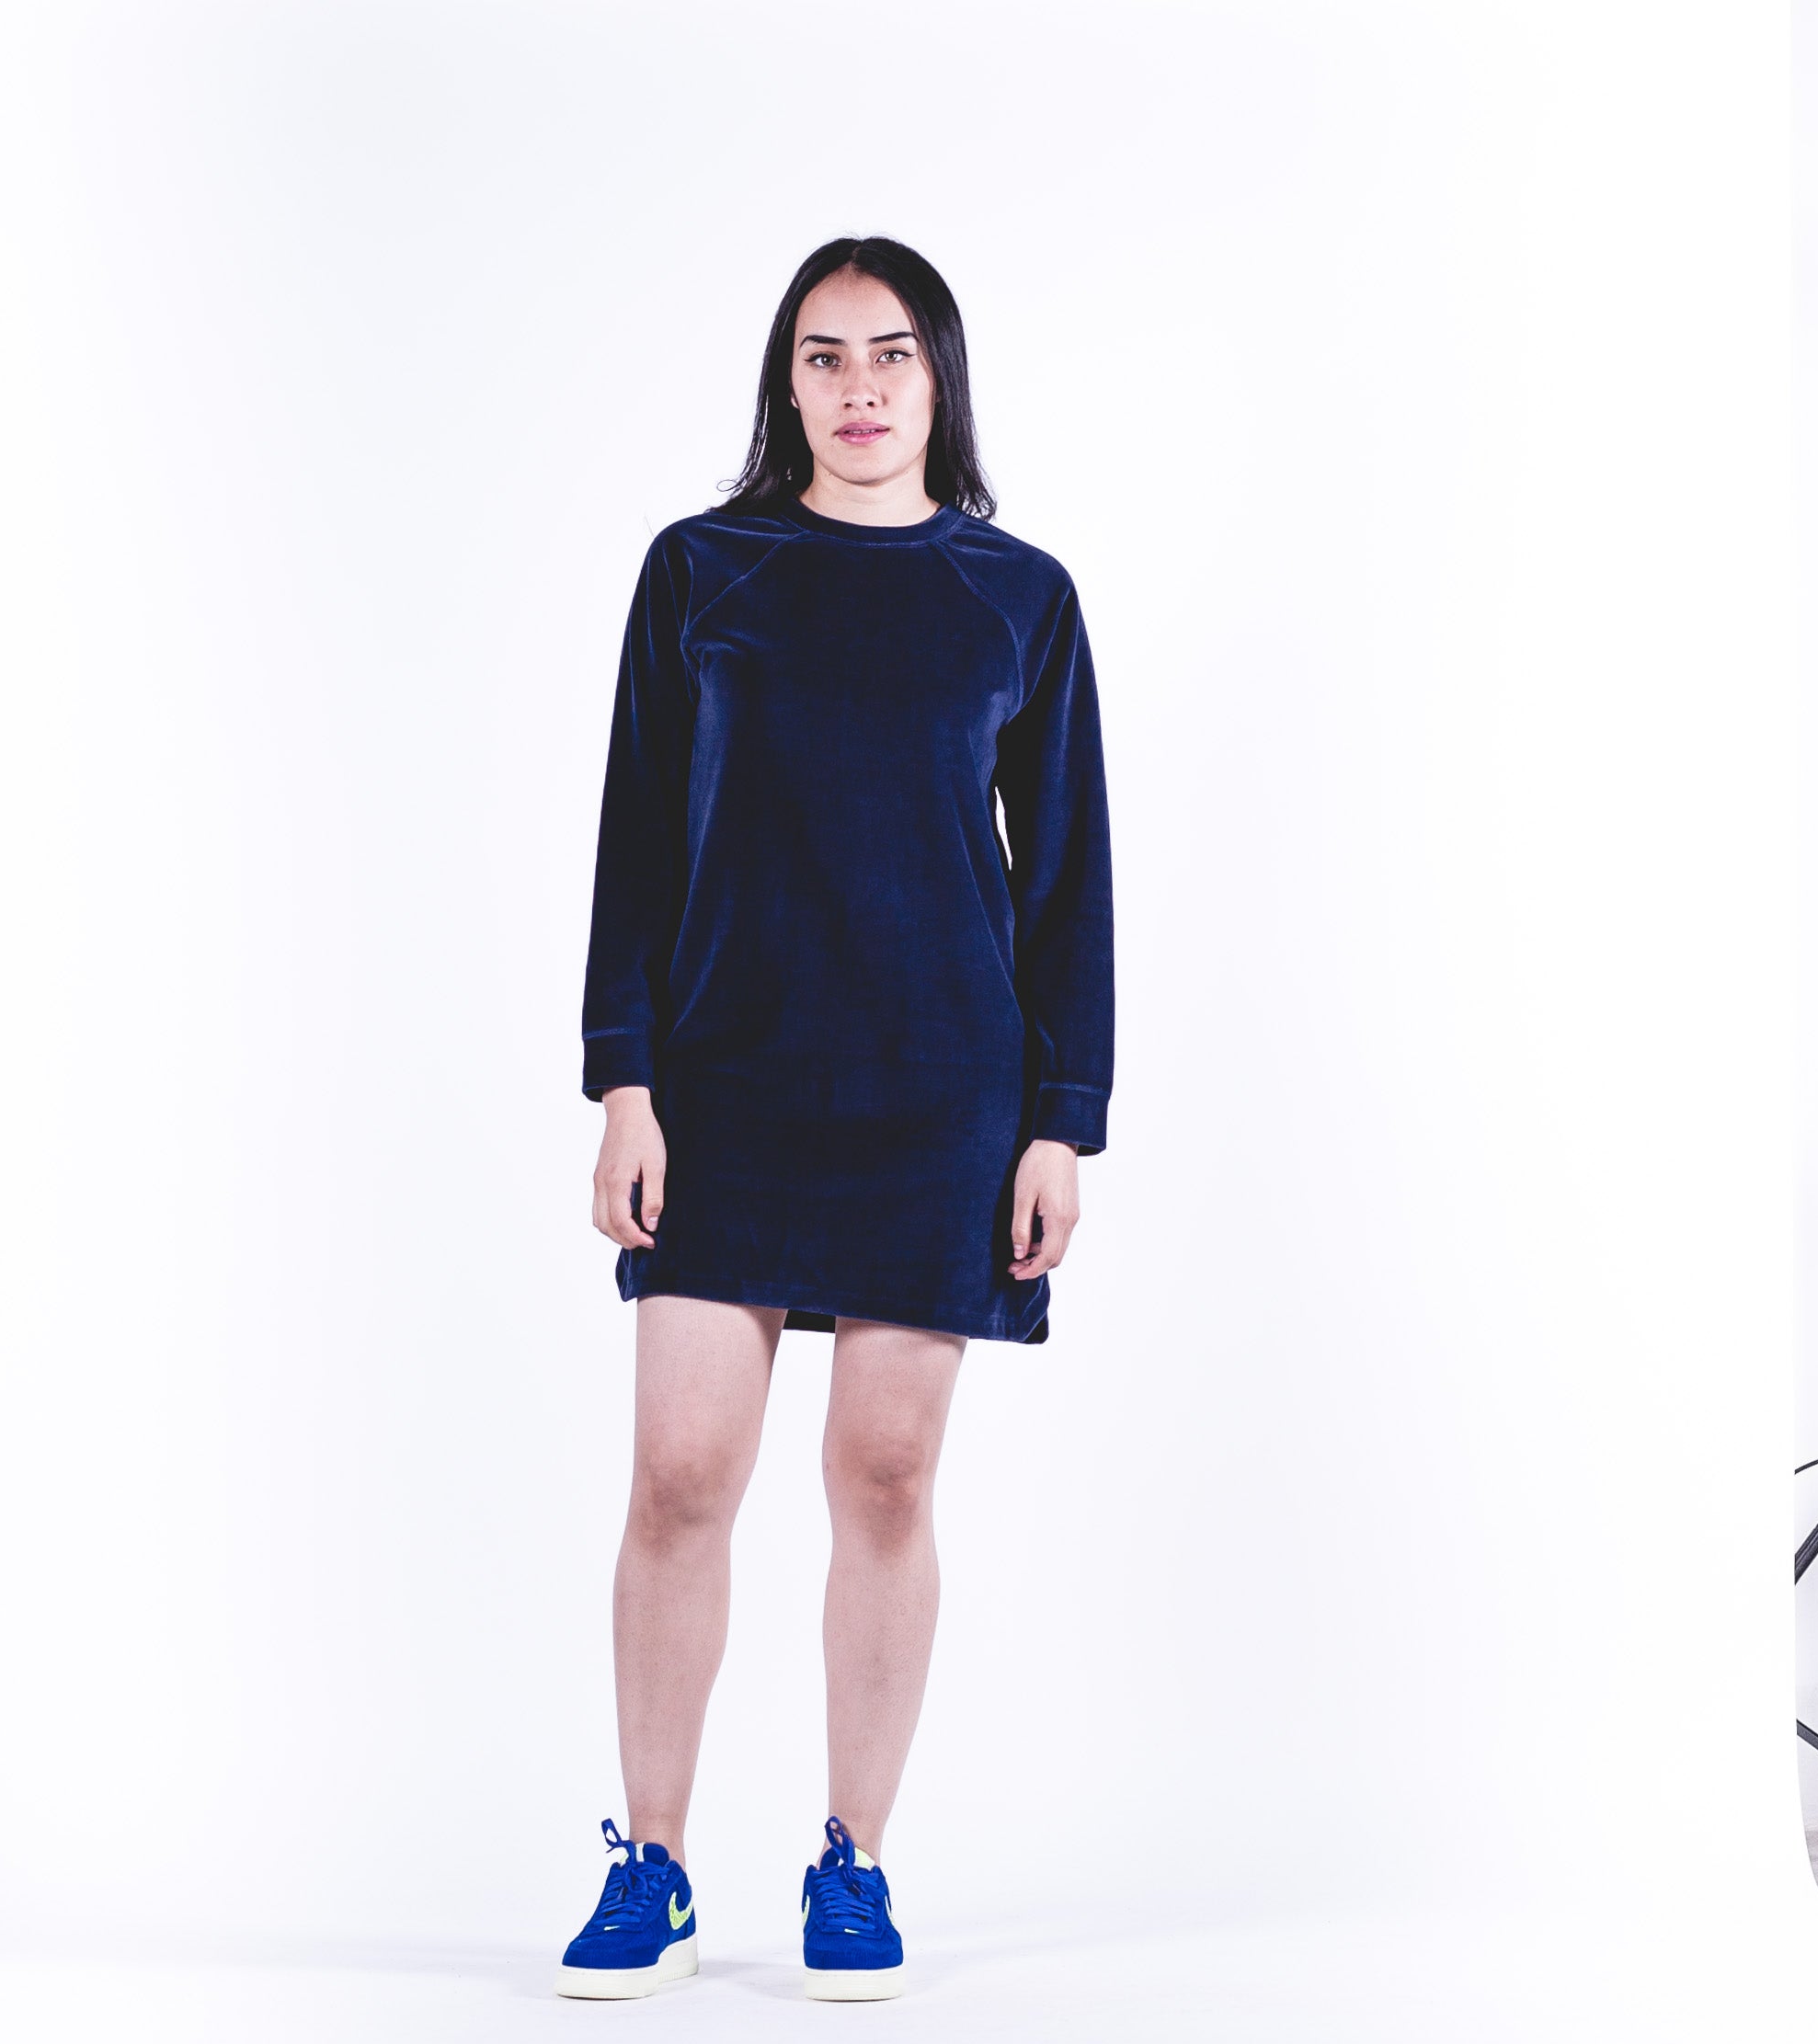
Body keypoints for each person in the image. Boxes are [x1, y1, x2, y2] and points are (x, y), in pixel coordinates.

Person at [555, 235, 1114, 2002]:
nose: (859, 387)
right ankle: (652, 1863)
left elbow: (1069, 885)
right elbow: (637, 841)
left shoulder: (1019, 598)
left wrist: (1062, 1120)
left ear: (942, 377)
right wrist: (626, 1078)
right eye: (824, 356)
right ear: (784, 382)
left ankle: (852, 1861)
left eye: (891, 354)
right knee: (679, 1475)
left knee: (884, 1478)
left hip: (942, 1093)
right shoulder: (701, 571)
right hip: (724, 1086)